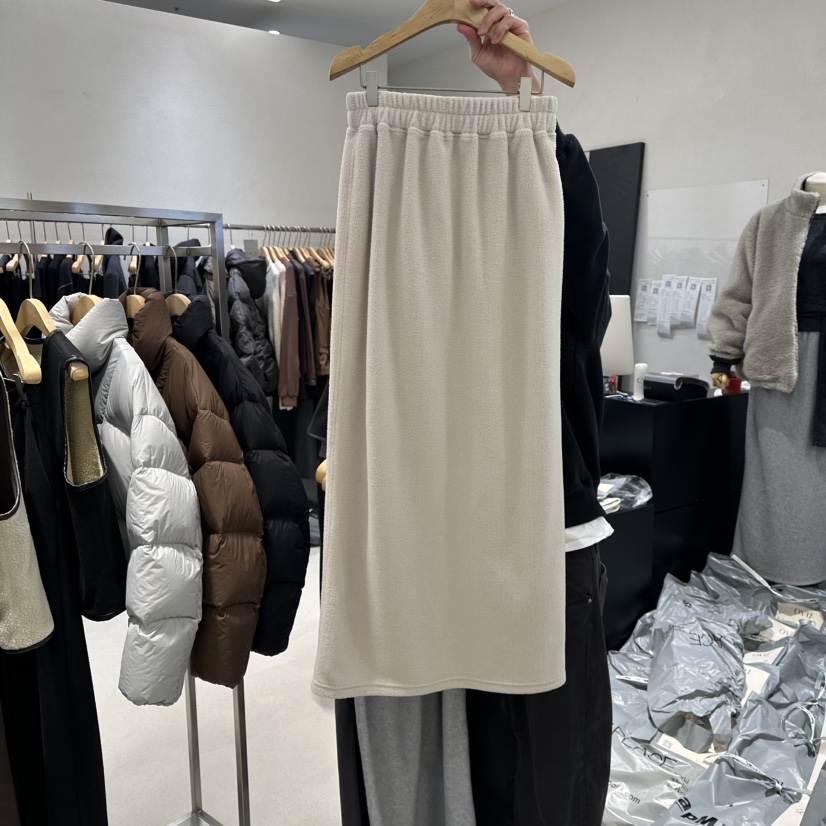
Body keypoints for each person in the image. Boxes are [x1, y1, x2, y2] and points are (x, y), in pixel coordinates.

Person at [458, 3, 614, 824]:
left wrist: (527, 104)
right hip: (469, 542)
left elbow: (582, 258)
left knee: (559, 769)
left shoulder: (559, 295)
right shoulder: (448, 296)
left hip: (556, 541)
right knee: (491, 764)